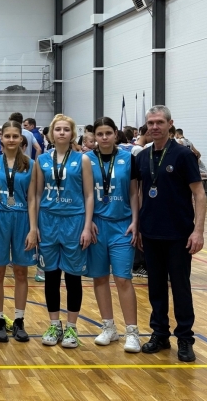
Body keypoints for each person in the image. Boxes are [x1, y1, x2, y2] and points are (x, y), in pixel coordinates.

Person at [136, 105, 205, 362]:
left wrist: (198, 231)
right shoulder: (142, 156)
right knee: (155, 288)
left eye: (159, 122)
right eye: (150, 123)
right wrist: (139, 226)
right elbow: (140, 192)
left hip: (179, 234)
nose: (154, 127)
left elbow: (199, 194)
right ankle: (160, 334)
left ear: (169, 124)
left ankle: (185, 338)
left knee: (180, 287)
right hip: (150, 233)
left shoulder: (183, 155)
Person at [35, 114, 94, 349]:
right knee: (51, 275)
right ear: (51, 133)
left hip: (74, 221)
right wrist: (34, 226)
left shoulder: (83, 159)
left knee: (72, 277)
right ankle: (54, 324)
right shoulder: (42, 159)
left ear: (72, 134)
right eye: (57, 129)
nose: (61, 133)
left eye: (66, 129)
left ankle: (71, 326)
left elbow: (89, 195)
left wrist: (87, 226)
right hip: (48, 220)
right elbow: (37, 194)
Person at [86, 117, 141, 353]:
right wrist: (87, 222)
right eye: (100, 134)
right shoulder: (86, 159)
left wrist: (135, 221)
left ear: (116, 134)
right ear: (94, 137)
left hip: (122, 225)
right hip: (97, 225)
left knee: (122, 279)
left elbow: (134, 192)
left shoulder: (128, 158)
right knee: (99, 278)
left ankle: (132, 332)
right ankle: (108, 327)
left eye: (108, 133)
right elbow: (84, 194)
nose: (104, 137)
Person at [0, 121, 38, 343]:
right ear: (1, 138)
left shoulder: (31, 164)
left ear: (21, 139)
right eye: (7, 136)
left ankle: (19, 320)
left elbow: (33, 198)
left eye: (15, 136)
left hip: (22, 218)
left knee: (21, 272)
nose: (11, 140)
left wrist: (33, 228)